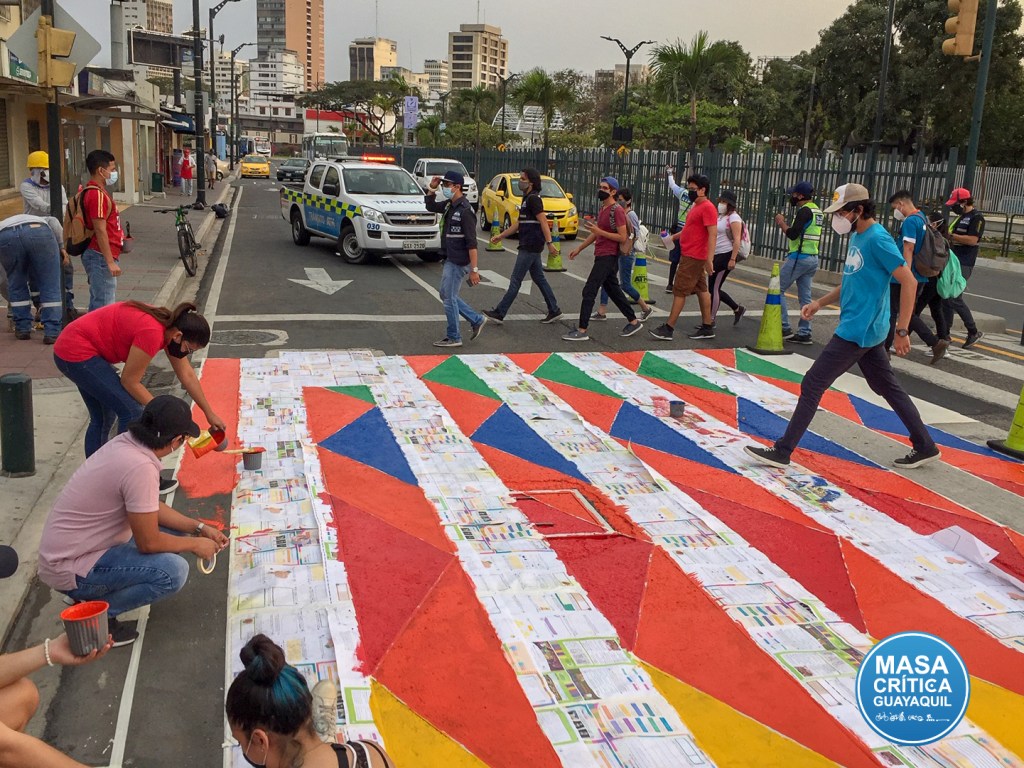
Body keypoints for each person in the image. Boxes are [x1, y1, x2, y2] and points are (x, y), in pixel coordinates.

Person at [744, 183, 941, 470]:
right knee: (886, 386)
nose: (838, 218)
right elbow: (851, 279)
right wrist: (820, 303)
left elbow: (909, 281)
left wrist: (901, 331)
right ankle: (925, 444)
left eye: (843, 212)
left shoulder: (878, 239)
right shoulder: (858, 237)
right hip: (866, 330)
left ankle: (783, 450)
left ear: (859, 210)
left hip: (858, 330)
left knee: (813, 383)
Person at [37, 395, 229, 647]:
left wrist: (199, 528)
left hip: (75, 551)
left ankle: (90, 595)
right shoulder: (139, 467)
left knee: (177, 532)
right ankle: (99, 617)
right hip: (71, 567)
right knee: (174, 572)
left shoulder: (127, 444)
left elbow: (151, 508)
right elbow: (148, 542)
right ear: (175, 441)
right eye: (184, 439)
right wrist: (196, 545)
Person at [53, 301, 226, 458]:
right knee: (132, 411)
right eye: (188, 349)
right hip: (75, 352)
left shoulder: (169, 327)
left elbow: (187, 375)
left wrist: (209, 413)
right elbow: (130, 381)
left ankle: (99, 475)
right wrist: (163, 414)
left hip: (76, 347)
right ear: (178, 336)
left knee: (104, 416)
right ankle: (124, 474)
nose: (186, 354)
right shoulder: (152, 333)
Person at [226, 634, 396, 767]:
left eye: (240, 742)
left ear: (260, 740)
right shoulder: (372, 752)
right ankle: (325, 744)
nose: (242, 747)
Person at [562, 176, 643, 341]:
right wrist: (579, 248)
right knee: (614, 290)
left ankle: (582, 330)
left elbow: (621, 237)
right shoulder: (603, 209)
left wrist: (600, 233)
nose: (601, 190)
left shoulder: (617, 210)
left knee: (589, 290)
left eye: (605, 188)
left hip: (608, 256)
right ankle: (633, 321)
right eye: (600, 187)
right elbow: (595, 233)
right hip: (601, 254)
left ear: (613, 191)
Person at [483, 167, 563, 325]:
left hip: (530, 245)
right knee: (539, 278)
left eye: (523, 179)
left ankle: (500, 312)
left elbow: (543, 222)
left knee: (515, 280)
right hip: (528, 244)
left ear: (531, 183)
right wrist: (500, 235)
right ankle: (554, 310)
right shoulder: (526, 199)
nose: (520, 181)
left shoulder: (534, 199)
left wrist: (550, 243)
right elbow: (518, 224)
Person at [649, 174, 717, 341]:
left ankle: (669, 328)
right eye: (689, 189)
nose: (690, 192)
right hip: (691, 253)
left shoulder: (707, 208)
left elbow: (712, 235)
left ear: (703, 190)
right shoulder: (695, 206)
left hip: (694, 256)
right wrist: (673, 238)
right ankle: (707, 326)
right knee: (702, 290)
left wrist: (709, 260)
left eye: (694, 189)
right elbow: (689, 229)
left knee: (679, 290)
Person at [885, 191, 949, 364]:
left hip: (905, 276)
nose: (895, 212)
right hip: (919, 276)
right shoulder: (921, 217)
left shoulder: (911, 221)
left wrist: (904, 274)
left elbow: (908, 248)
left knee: (892, 312)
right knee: (907, 312)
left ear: (901, 204)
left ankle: (884, 349)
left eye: (894, 208)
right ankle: (935, 343)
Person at [424, 170, 486, 348]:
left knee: (448, 298)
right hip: (450, 257)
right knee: (446, 294)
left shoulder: (465, 211)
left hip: (459, 261)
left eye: (446, 185)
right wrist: (432, 189)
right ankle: (476, 319)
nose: (444, 187)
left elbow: (472, 244)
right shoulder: (449, 205)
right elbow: (430, 206)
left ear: (457, 187)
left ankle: (454, 336)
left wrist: (474, 270)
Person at [21, 150, 77, 320]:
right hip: (34, 232)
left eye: (43, 169)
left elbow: (65, 207)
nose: (40, 173)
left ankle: (68, 305)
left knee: (66, 267)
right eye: (35, 169)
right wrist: (57, 210)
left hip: (55, 232)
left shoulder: (57, 186)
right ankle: (39, 306)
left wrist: (59, 211)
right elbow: (42, 206)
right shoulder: (27, 186)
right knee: (35, 271)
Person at [591, 188, 653, 323]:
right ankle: (602, 310)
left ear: (628, 201)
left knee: (624, 285)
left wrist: (625, 245)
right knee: (607, 279)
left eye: (621, 200)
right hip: (616, 252)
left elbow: (634, 234)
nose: (619, 202)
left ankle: (645, 308)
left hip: (626, 253)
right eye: (618, 200)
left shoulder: (630, 215)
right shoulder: (617, 212)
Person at [772, 181, 823, 345]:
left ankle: (784, 326)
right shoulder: (817, 210)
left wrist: (781, 222)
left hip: (799, 257)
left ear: (800, 195)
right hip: (812, 258)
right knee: (805, 297)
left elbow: (793, 234)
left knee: (777, 289)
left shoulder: (804, 211)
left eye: (793, 194)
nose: (791, 197)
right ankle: (804, 332)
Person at [0, 214, 64, 344]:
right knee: (50, 282)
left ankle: (22, 328)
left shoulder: (6, 221)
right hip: (39, 233)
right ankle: (52, 331)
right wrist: (61, 247)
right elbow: (55, 223)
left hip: (5, 234)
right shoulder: (45, 219)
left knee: (16, 282)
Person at [79, 149, 124, 311]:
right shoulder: (97, 195)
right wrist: (110, 261)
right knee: (103, 306)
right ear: (101, 171)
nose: (114, 173)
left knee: (100, 301)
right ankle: (97, 336)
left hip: (102, 254)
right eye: (112, 169)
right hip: (100, 256)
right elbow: (100, 229)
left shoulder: (99, 192)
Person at [943, 187, 984, 348]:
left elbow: (973, 240)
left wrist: (951, 236)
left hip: (965, 261)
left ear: (965, 201)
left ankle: (973, 331)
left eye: (956, 203)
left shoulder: (976, 218)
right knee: (945, 297)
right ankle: (944, 334)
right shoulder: (961, 217)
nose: (954, 207)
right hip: (953, 259)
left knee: (954, 297)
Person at [709, 189, 746, 327]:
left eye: (724, 202)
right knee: (712, 288)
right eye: (721, 201)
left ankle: (711, 320)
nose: (721, 204)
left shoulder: (734, 218)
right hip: (717, 254)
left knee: (714, 288)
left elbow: (737, 240)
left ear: (730, 204)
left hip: (726, 255)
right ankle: (737, 309)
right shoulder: (721, 216)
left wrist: (732, 259)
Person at [664, 165, 693, 292]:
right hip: (689, 232)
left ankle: (670, 284)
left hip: (678, 229)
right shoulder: (699, 201)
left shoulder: (683, 193)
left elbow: (672, 185)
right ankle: (686, 285)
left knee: (674, 259)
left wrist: (670, 172)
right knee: (687, 259)